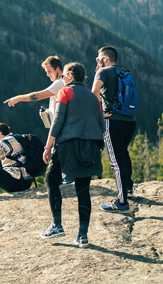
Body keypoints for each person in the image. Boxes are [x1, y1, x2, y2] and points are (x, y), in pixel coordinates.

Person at [41, 62, 105, 247]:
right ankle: (82, 236)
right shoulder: (94, 98)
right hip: (91, 145)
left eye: (64, 76)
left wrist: (48, 146)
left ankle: (57, 225)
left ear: (70, 75)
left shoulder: (66, 91)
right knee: (83, 190)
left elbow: (58, 120)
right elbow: (101, 125)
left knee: (51, 180)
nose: (62, 79)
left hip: (69, 143)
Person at [3, 55, 73, 185]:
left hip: (61, 129)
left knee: (59, 159)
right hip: (59, 128)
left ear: (58, 69)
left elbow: (38, 96)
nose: (47, 74)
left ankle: (66, 182)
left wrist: (18, 98)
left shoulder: (59, 83)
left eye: (49, 71)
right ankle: (65, 180)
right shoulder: (59, 83)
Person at [92, 46, 137, 213]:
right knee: (123, 154)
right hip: (130, 121)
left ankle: (122, 201)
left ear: (105, 58)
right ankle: (129, 188)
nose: (96, 62)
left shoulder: (103, 73)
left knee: (116, 162)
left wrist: (98, 114)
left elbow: (94, 92)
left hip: (113, 121)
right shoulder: (123, 73)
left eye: (98, 59)